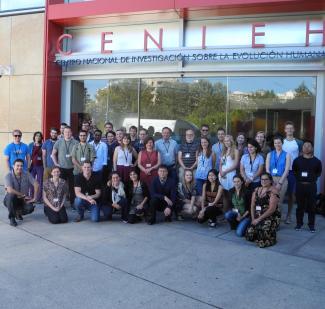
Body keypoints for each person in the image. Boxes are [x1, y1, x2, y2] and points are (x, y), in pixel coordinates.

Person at [293, 140, 322, 233]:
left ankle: (311, 225)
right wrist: (299, 179)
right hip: (300, 186)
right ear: (302, 148)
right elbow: (294, 171)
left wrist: (312, 178)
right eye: (304, 146)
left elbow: (319, 172)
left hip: (311, 186)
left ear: (312, 148)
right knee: (300, 206)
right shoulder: (297, 160)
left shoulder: (317, 161)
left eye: (309, 146)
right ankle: (299, 224)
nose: (306, 148)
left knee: (312, 207)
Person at [246, 173, 281, 248]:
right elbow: (252, 205)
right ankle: (259, 235)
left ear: (270, 181)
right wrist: (253, 219)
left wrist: (258, 220)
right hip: (258, 215)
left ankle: (270, 238)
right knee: (249, 234)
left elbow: (271, 210)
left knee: (262, 242)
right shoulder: (257, 190)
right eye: (262, 179)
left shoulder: (273, 192)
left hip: (270, 216)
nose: (263, 181)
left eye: (266, 179)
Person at [3, 159, 38, 226]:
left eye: (21, 166)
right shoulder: (8, 175)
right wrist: (23, 195)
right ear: (13, 166)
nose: (19, 167)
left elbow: (36, 184)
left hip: (22, 200)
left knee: (30, 208)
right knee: (10, 195)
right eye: (17, 165)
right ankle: (12, 217)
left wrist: (34, 198)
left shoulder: (27, 174)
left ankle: (17, 212)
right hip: (10, 200)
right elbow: (9, 190)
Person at [282, 121, 303, 224]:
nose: (289, 130)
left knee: (291, 194)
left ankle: (289, 215)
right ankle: (277, 214)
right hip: (281, 172)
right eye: (287, 128)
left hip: (292, 172)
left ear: (294, 130)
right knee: (278, 193)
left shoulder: (298, 142)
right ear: (285, 130)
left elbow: (301, 157)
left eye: (291, 128)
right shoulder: (281, 142)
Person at [51, 126, 78, 205]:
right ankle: (59, 203)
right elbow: (53, 154)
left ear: (71, 133)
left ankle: (73, 203)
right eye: (66, 132)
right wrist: (56, 164)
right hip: (61, 168)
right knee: (60, 187)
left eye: (69, 132)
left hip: (73, 168)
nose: (67, 133)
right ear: (63, 133)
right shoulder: (59, 142)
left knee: (72, 187)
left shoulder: (76, 142)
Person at [266, 135, 291, 213]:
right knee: (269, 200)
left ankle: (277, 220)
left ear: (282, 143)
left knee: (279, 201)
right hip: (271, 179)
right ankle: (269, 218)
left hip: (282, 179)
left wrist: (280, 183)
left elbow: (287, 170)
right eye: (275, 143)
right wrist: (270, 181)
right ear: (273, 144)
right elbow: (267, 169)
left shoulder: (287, 155)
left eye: (279, 142)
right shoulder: (269, 154)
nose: (277, 144)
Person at [218, 135, 239, 211]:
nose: (226, 142)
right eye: (225, 141)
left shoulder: (236, 151)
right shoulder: (223, 151)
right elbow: (220, 164)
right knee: (224, 195)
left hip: (231, 175)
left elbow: (236, 165)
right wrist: (221, 172)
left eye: (228, 141)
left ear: (231, 141)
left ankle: (233, 213)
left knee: (232, 195)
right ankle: (225, 213)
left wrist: (225, 172)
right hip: (222, 175)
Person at [28, 131, 44, 203]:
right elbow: (28, 156)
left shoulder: (43, 145)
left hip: (40, 166)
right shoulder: (31, 145)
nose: (38, 137)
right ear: (34, 137)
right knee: (32, 181)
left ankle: (38, 198)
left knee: (40, 182)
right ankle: (31, 197)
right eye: (36, 136)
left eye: (39, 136)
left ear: (41, 137)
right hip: (32, 166)